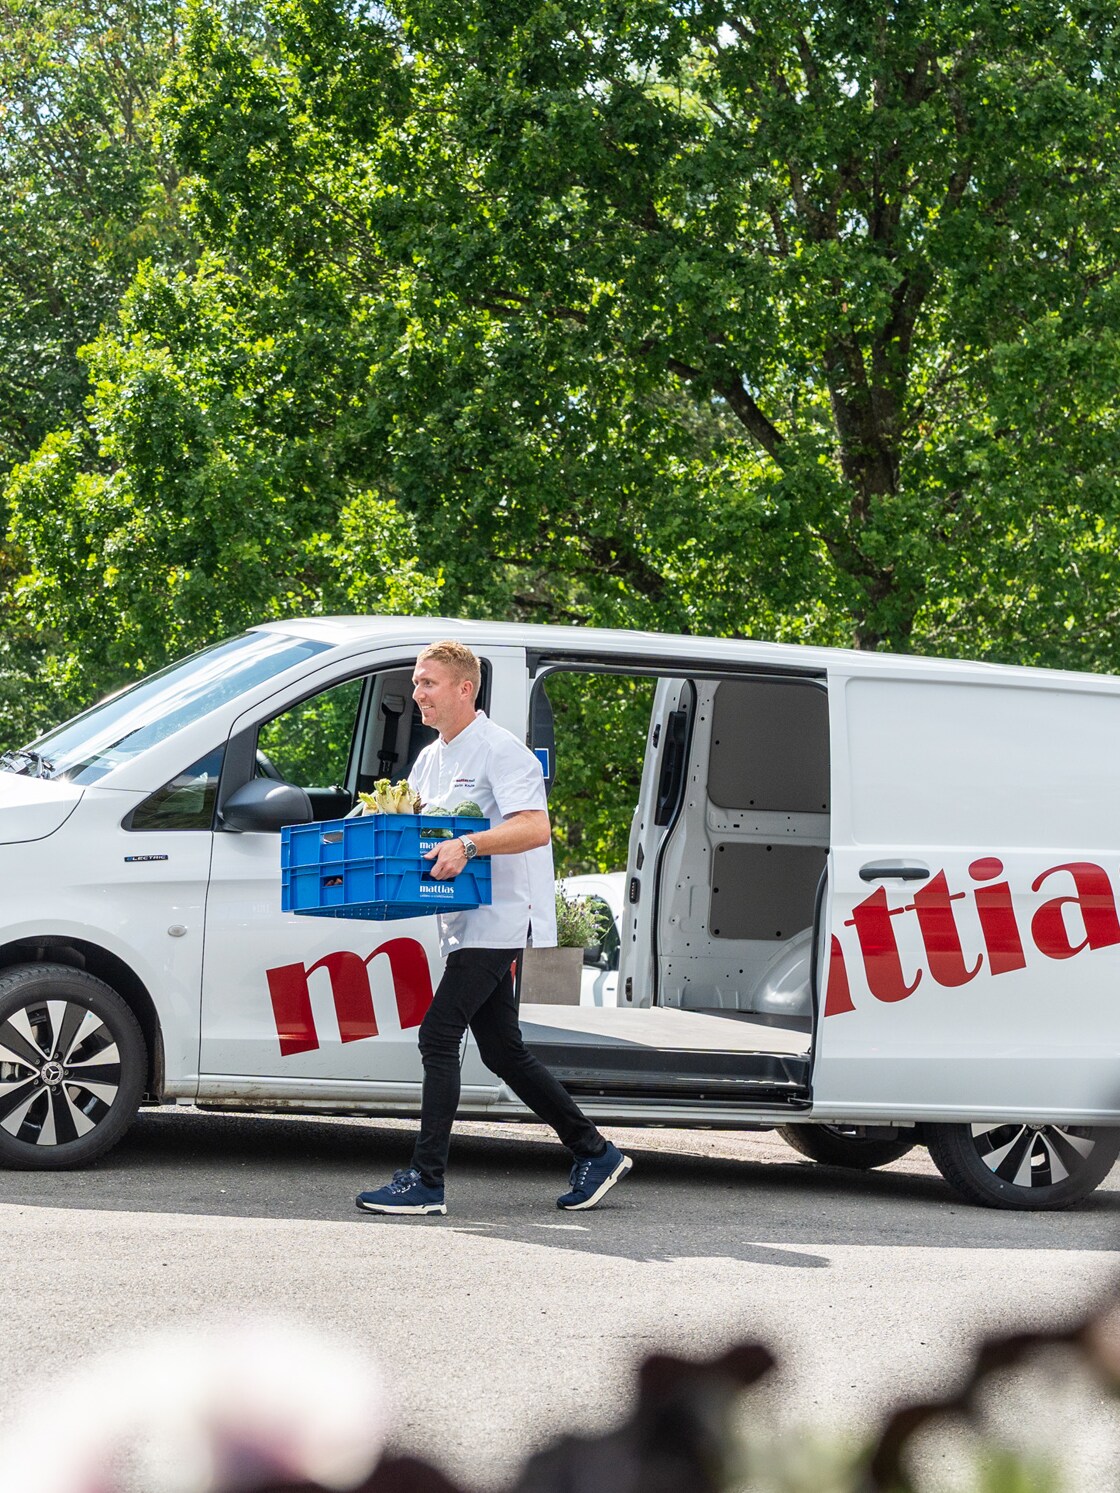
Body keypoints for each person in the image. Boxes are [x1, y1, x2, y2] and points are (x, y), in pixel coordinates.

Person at [356, 641, 632, 1217]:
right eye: (416, 682)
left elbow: (534, 827)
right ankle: (595, 1151)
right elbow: (419, 831)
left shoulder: (502, 751)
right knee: (504, 1051)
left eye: (428, 683)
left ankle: (426, 1181)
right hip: (462, 918)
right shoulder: (430, 759)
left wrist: (468, 844)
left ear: (465, 688)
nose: (417, 693)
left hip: (501, 915)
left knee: (438, 1035)